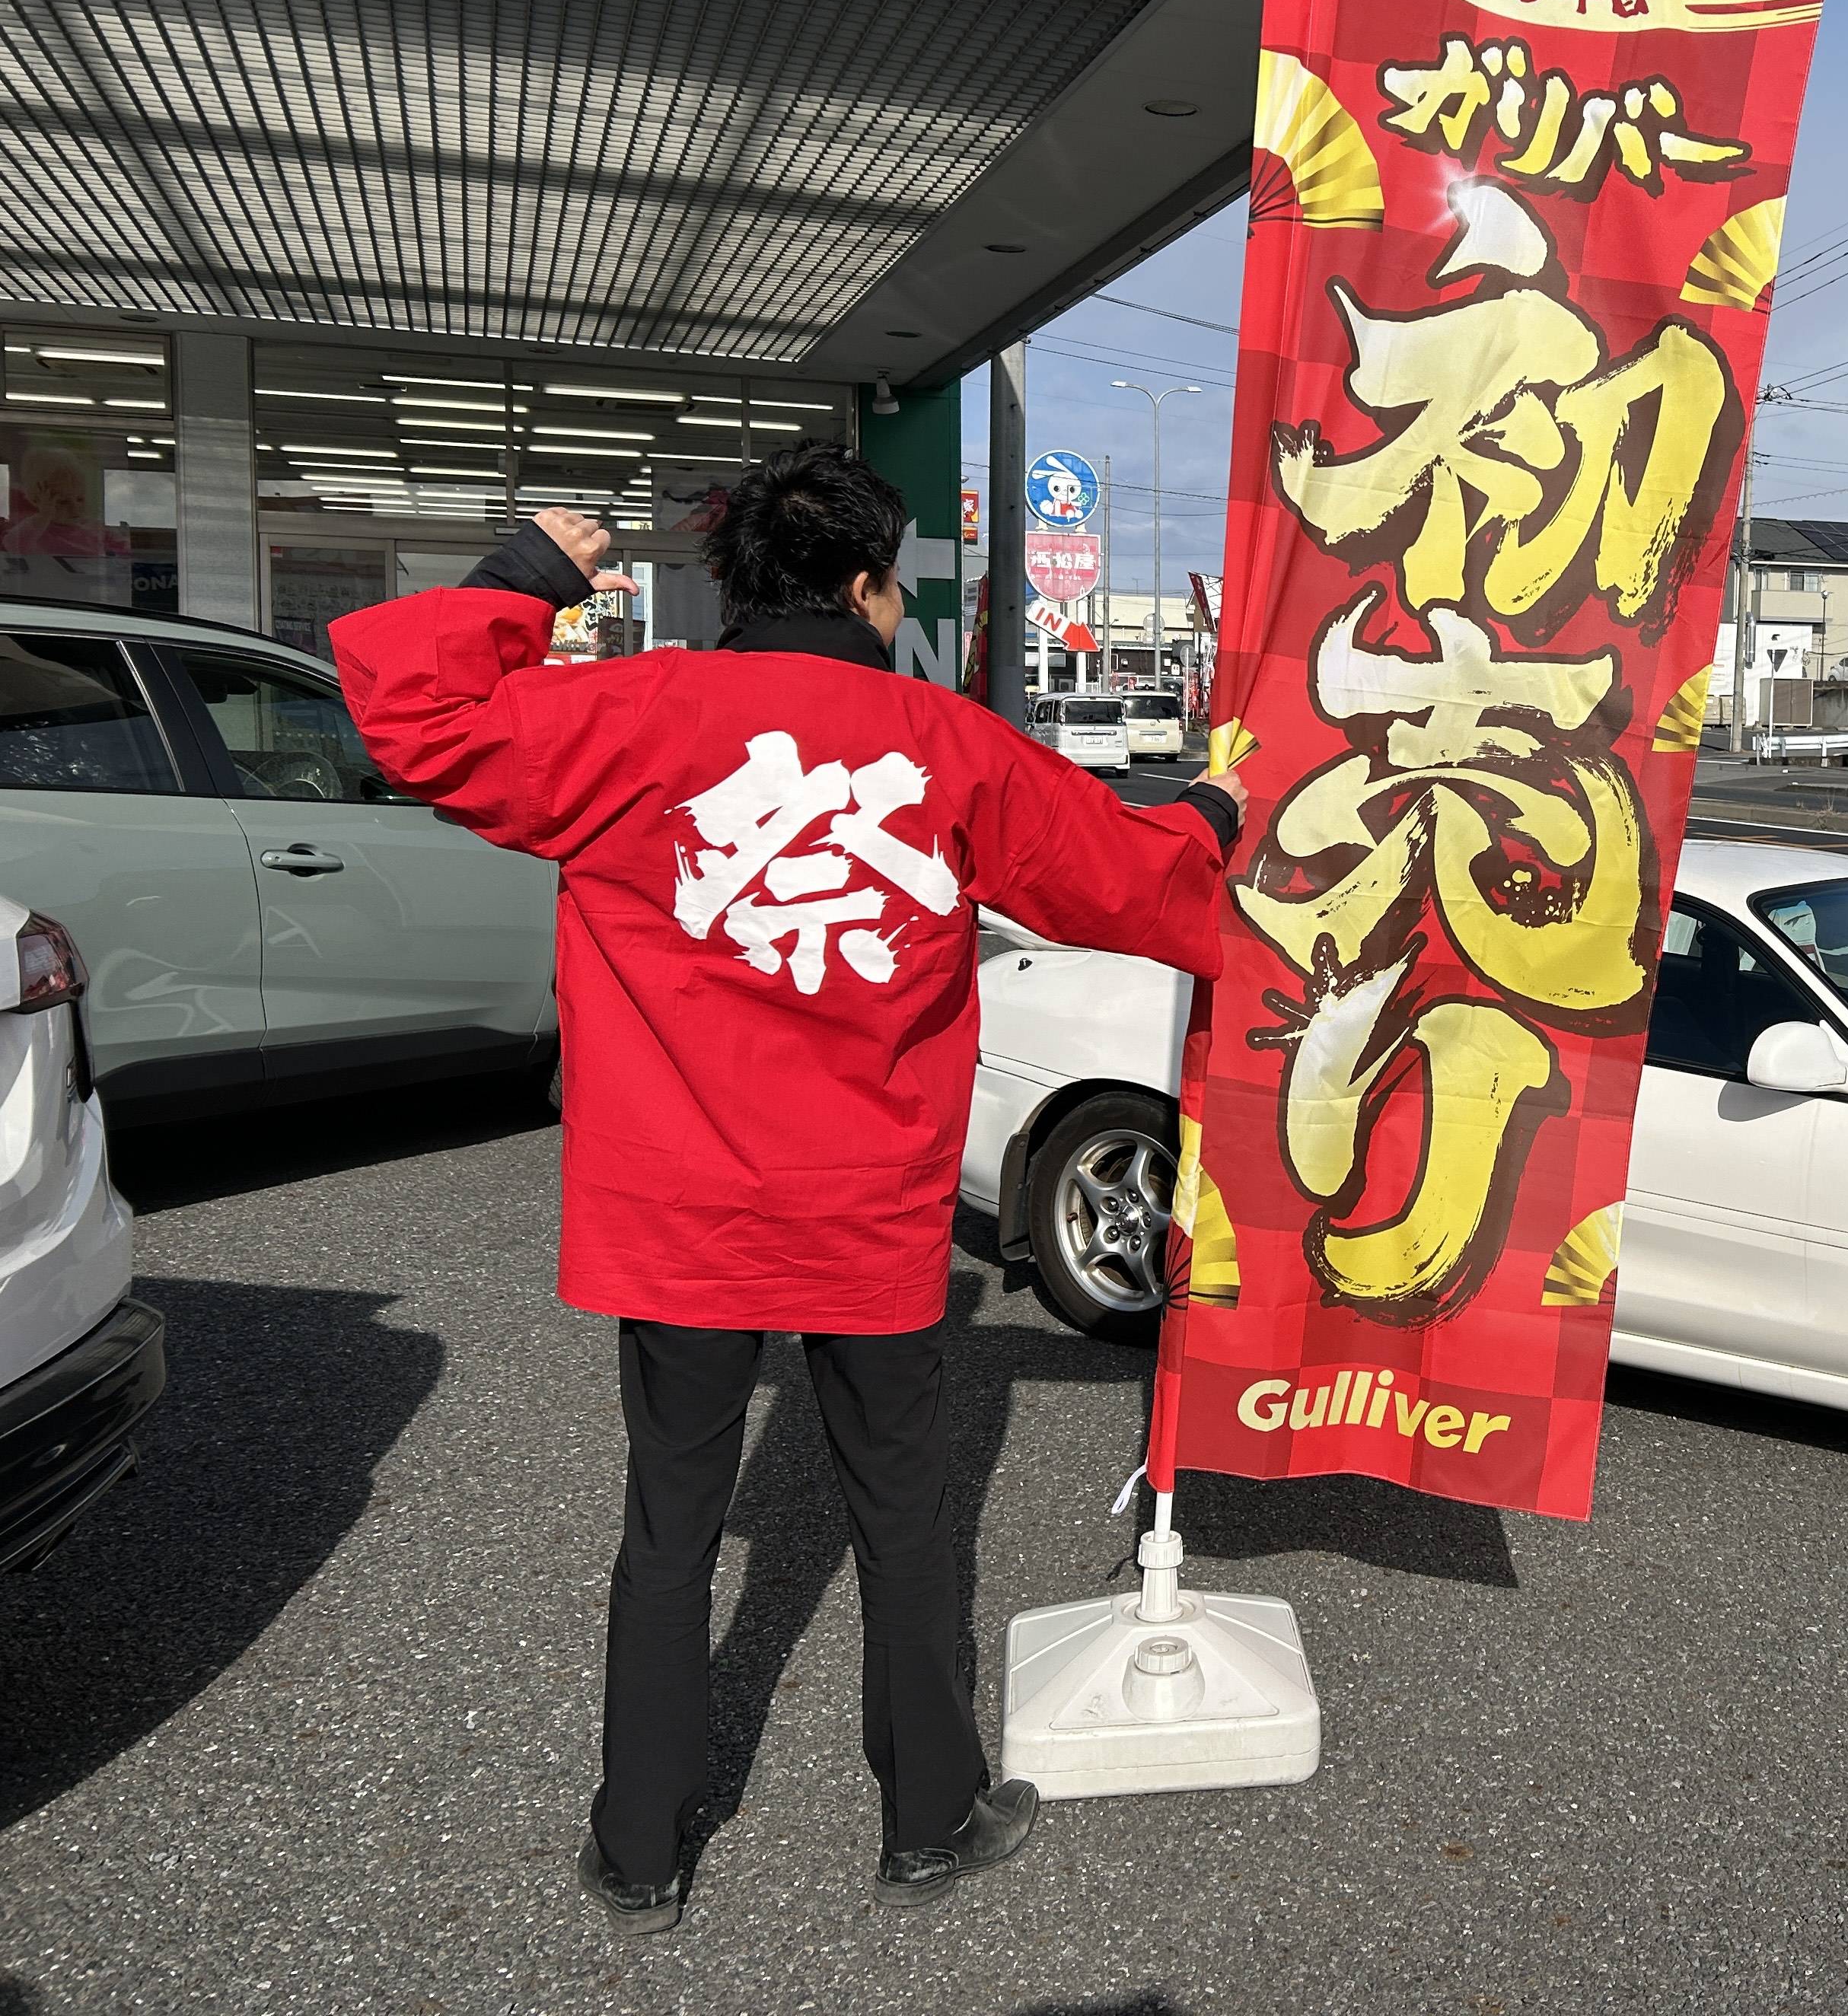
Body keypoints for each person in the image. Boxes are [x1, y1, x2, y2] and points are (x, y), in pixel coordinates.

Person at [331, 445, 1243, 1933]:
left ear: (740, 579)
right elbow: (1135, 883)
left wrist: (526, 577)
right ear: (872, 582)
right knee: (903, 1521)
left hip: (675, 1218)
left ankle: (640, 1845)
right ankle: (930, 1816)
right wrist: (1212, 805)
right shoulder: (943, 741)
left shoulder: (626, 718)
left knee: (669, 1529)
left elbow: (406, 708)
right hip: (869, 1218)